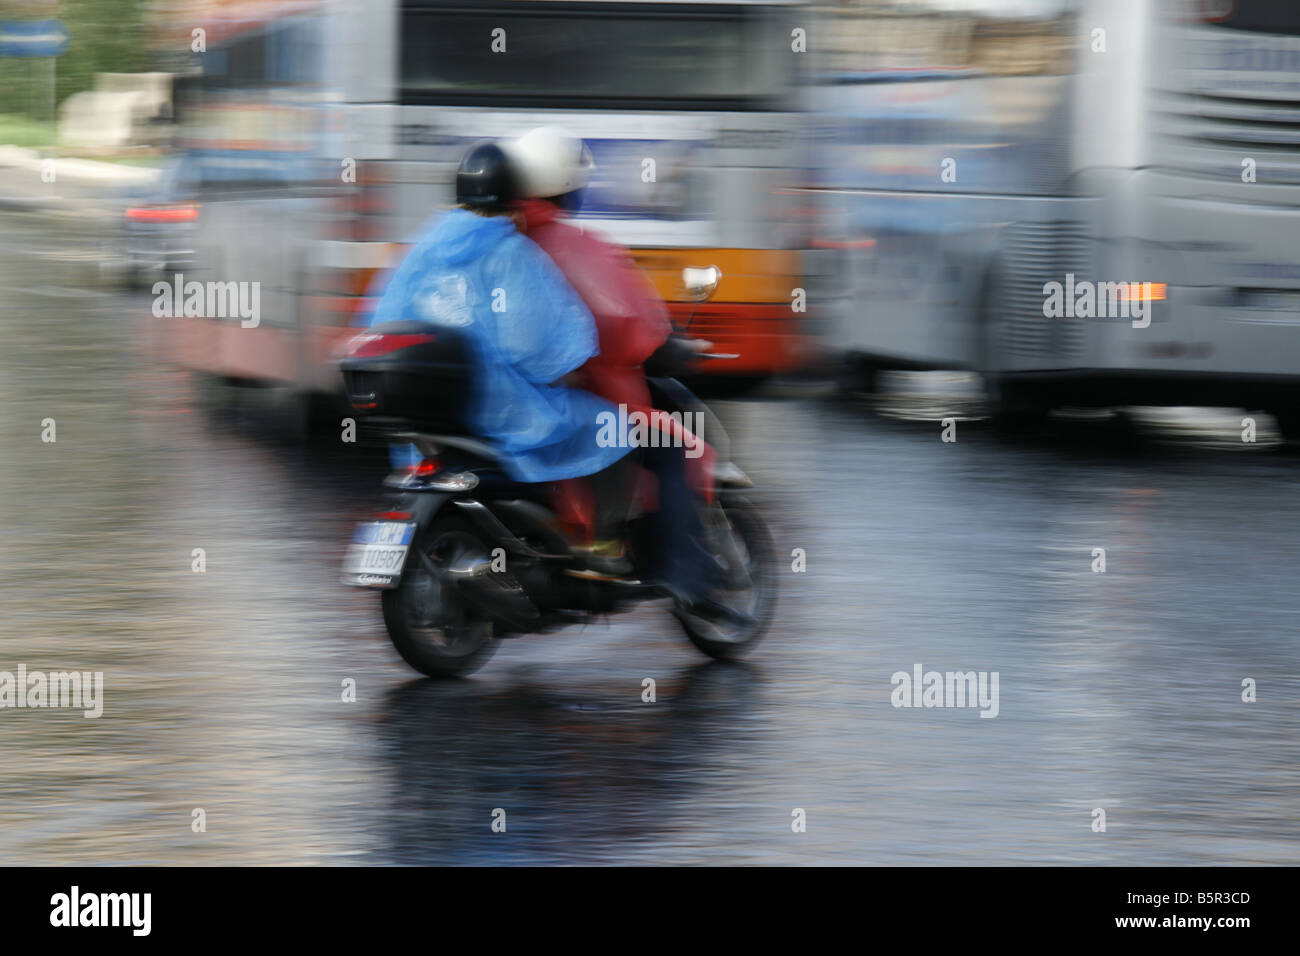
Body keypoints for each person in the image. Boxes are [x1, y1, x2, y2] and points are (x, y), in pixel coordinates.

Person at [364, 142, 634, 570]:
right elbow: (532, 345)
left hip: (432, 411)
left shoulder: (423, 246)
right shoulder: (509, 250)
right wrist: (570, 367)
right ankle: (600, 546)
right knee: (613, 427)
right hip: (497, 407)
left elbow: (381, 317)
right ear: (513, 197)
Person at [503, 127, 727, 613]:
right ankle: (687, 577)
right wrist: (666, 345)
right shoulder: (582, 248)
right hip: (584, 396)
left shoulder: (496, 240)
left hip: (506, 398)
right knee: (675, 444)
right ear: (571, 188)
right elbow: (628, 323)